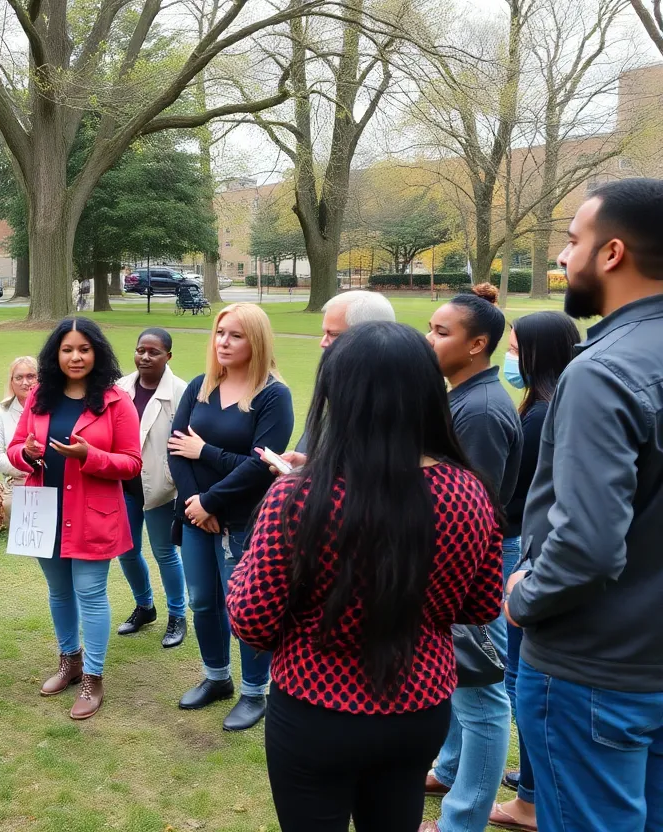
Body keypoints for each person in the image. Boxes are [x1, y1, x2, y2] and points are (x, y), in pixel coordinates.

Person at [227, 321, 505, 832]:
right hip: (419, 707)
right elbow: (482, 605)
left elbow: (252, 620)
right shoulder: (468, 493)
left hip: (316, 708)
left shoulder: (298, 497)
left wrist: (243, 571)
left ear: (336, 393)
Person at [506, 179, 663, 832]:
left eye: (572, 242)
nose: (563, 259)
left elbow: (588, 547)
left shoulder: (603, 372)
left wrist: (522, 596)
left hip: (594, 671)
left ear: (612, 253)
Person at [7, 317, 141, 720]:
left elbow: (132, 464)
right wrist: (27, 454)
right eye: (67, 349)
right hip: (45, 511)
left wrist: (90, 457)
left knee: (91, 594)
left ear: (96, 352)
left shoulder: (116, 401)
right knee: (59, 592)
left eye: (83, 349)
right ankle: (71, 660)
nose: (75, 356)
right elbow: (15, 447)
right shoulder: (40, 396)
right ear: (56, 354)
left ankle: (93, 677)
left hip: (92, 514)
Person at [423, 282, 522, 832]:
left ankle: (464, 818)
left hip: (474, 569)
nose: (429, 340)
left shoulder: (481, 410)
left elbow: (471, 511)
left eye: (441, 332)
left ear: (478, 344)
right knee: (461, 681)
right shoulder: (460, 396)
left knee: (483, 694)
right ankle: (449, 769)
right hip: (467, 566)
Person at [169, 303, 294, 731]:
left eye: (236, 335)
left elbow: (262, 463)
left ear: (255, 340)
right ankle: (216, 678)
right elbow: (175, 448)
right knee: (202, 600)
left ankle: (255, 692)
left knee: (245, 606)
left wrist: (209, 482)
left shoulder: (274, 395)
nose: (223, 341)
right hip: (197, 518)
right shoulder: (201, 386)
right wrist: (195, 504)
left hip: (245, 521)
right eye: (220, 332)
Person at [489, 311, 579, 832]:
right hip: (524, 547)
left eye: (517, 347)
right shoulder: (543, 406)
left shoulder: (543, 413)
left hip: (525, 554)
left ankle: (529, 802)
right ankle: (529, 780)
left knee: (521, 678)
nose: (512, 357)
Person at [114, 328, 189, 647]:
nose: (145, 357)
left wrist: (176, 482)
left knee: (164, 553)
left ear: (168, 356)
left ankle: (177, 615)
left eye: (154, 352)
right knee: (126, 552)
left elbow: (187, 443)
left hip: (161, 489)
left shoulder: (181, 392)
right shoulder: (120, 388)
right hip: (126, 487)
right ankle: (145, 607)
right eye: (140, 350)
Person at [282, 290, 397, 464]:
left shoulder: (390, 401)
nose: (323, 343)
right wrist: (305, 463)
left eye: (333, 334)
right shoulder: (338, 382)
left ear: (370, 335)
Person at [0, 355, 38, 517]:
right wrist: (26, 471)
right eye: (19, 377)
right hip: (17, 481)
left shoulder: (53, 408)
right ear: (11, 382)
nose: (25, 383)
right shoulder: (1, 411)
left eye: (31, 376)